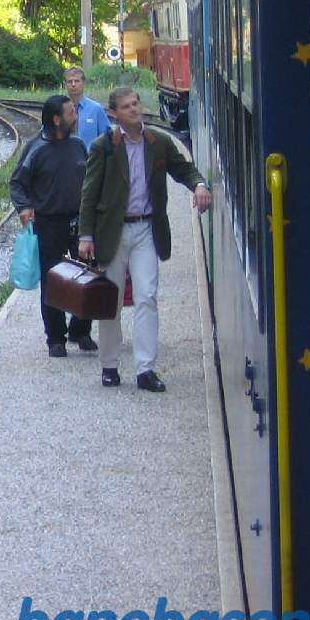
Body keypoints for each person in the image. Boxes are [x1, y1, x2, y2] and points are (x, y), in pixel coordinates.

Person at [77, 86, 212, 391]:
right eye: (126, 107)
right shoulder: (104, 146)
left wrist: (200, 185)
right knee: (109, 302)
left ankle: (145, 369)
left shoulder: (158, 142)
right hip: (112, 232)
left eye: (136, 103)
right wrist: (86, 235)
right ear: (114, 114)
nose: (134, 110)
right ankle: (109, 366)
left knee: (147, 297)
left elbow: (184, 169)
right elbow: (89, 192)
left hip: (146, 230)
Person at [10, 95, 96, 357]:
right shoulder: (36, 148)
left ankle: (81, 330)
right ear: (57, 119)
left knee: (90, 275)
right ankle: (55, 338)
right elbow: (17, 183)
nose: (76, 116)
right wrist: (24, 208)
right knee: (53, 280)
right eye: (71, 113)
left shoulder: (79, 145)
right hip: (48, 222)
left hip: (80, 221)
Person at [64, 66, 111, 149]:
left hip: (90, 159)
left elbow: (107, 138)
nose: (73, 84)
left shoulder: (95, 109)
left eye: (77, 81)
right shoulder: (59, 108)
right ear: (65, 85)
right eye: (70, 81)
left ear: (83, 83)